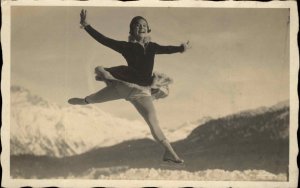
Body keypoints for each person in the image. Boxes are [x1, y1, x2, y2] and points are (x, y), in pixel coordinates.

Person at [68, 9, 191, 164]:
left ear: (148, 29)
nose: (141, 27)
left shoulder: (152, 47)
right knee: (95, 99)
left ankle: (169, 152)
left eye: (144, 25)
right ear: (132, 30)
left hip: (142, 92)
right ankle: (84, 101)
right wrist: (86, 26)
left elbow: (167, 49)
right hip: (123, 86)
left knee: (153, 122)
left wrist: (181, 48)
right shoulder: (126, 47)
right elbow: (104, 40)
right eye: (137, 25)